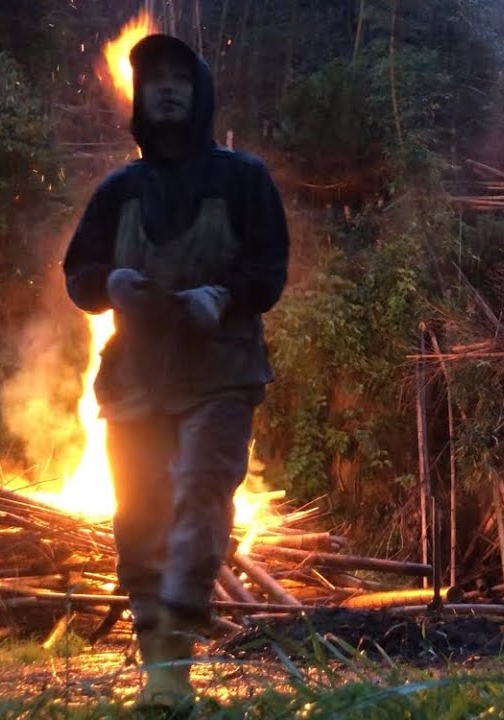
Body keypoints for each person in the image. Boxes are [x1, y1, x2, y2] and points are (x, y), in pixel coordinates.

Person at [62, 33, 289, 707]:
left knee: (196, 496)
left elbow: (269, 270)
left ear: (199, 94)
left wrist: (220, 297)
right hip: (133, 383)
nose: (164, 87)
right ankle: (157, 670)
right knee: (139, 518)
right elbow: (78, 275)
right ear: (141, 96)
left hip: (220, 374)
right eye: (153, 78)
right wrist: (114, 281)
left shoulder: (244, 179)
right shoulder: (117, 191)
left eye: (178, 79)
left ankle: (174, 675)